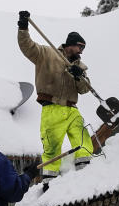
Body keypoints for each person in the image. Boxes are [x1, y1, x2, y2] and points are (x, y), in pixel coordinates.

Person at [16, 10, 94, 179]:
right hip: (52, 108)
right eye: (79, 47)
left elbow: (85, 89)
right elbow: (27, 46)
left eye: (83, 48)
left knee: (83, 139)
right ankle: (49, 180)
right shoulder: (47, 54)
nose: (81, 51)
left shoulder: (80, 66)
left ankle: (86, 172)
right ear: (70, 44)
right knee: (51, 147)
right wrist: (23, 27)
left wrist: (78, 75)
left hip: (72, 109)